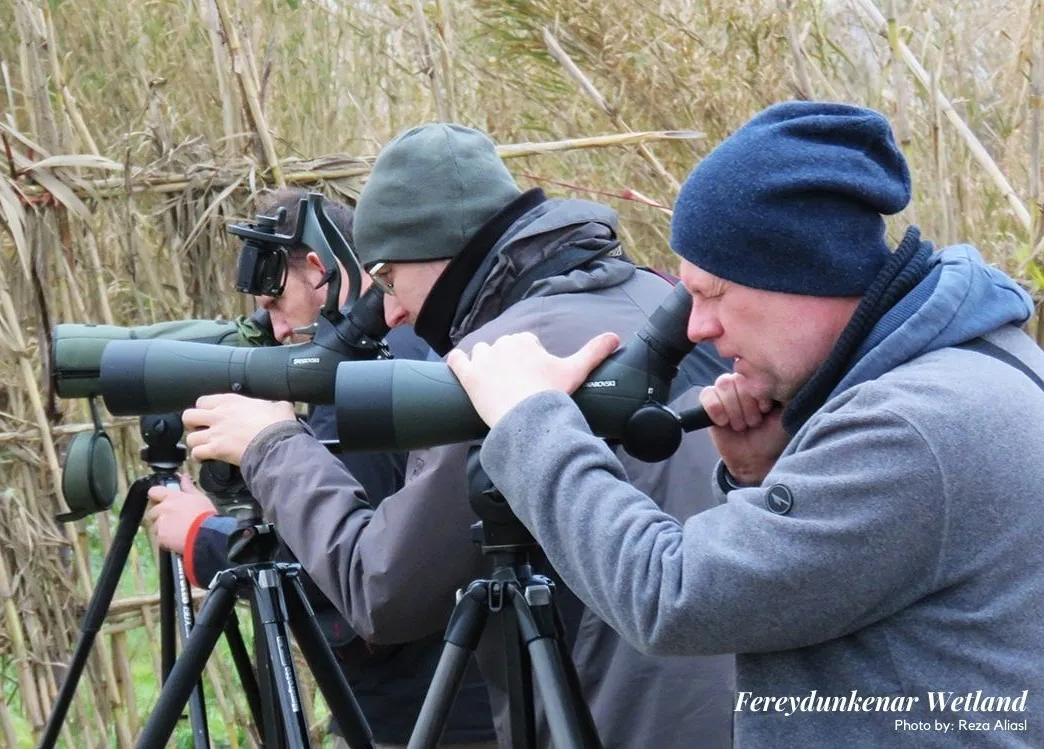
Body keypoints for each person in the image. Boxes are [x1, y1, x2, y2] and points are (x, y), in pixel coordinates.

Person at [443, 101, 1044, 748]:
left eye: (714, 293)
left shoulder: (909, 426)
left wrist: (531, 420)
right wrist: (766, 473)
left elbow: (670, 595)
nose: (698, 328)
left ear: (801, 270)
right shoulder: (986, 359)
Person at [172, 124, 736, 748]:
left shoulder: (496, 366)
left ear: (438, 253)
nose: (390, 311)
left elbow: (382, 589)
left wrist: (270, 444)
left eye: (388, 279)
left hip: (618, 720)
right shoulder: (660, 298)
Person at [145, 187, 498, 749]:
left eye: (275, 306)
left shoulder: (368, 381)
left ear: (316, 271)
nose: (279, 331)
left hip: (428, 718)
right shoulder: (416, 348)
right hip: (461, 698)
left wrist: (203, 538)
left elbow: (352, 572)